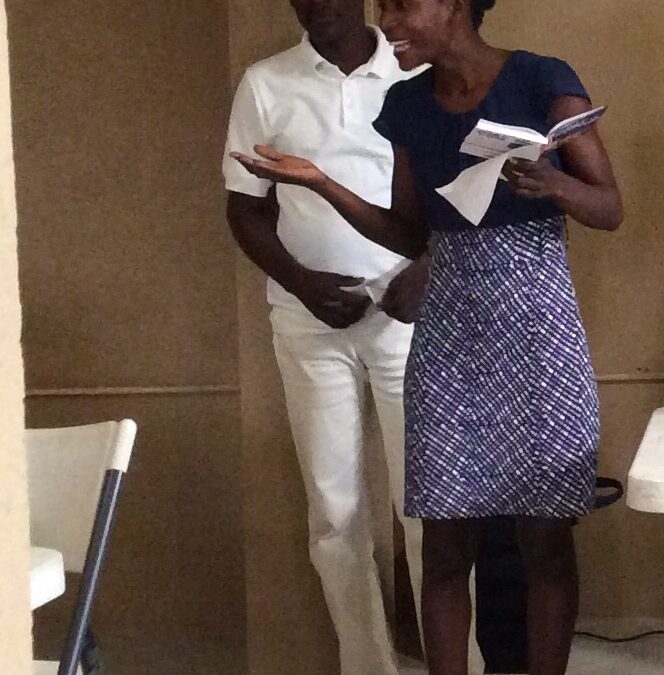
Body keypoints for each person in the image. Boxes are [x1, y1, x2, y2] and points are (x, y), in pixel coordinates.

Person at [230, 1, 623, 672]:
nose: (388, 20)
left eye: (403, 5)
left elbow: (609, 207)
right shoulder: (408, 104)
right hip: (446, 341)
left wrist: (553, 183)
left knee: (546, 542)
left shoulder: (541, 78)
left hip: (539, 331)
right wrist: (321, 183)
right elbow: (411, 233)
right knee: (443, 546)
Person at [222, 2, 481, 673]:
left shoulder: (415, 70)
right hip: (309, 323)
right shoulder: (265, 83)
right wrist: (302, 284)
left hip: (410, 320)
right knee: (335, 513)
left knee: (431, 506)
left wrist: (430, 267)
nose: (316, 5)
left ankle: (460, 664)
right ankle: (367, 665)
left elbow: (466, 192)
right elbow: (245, 209)